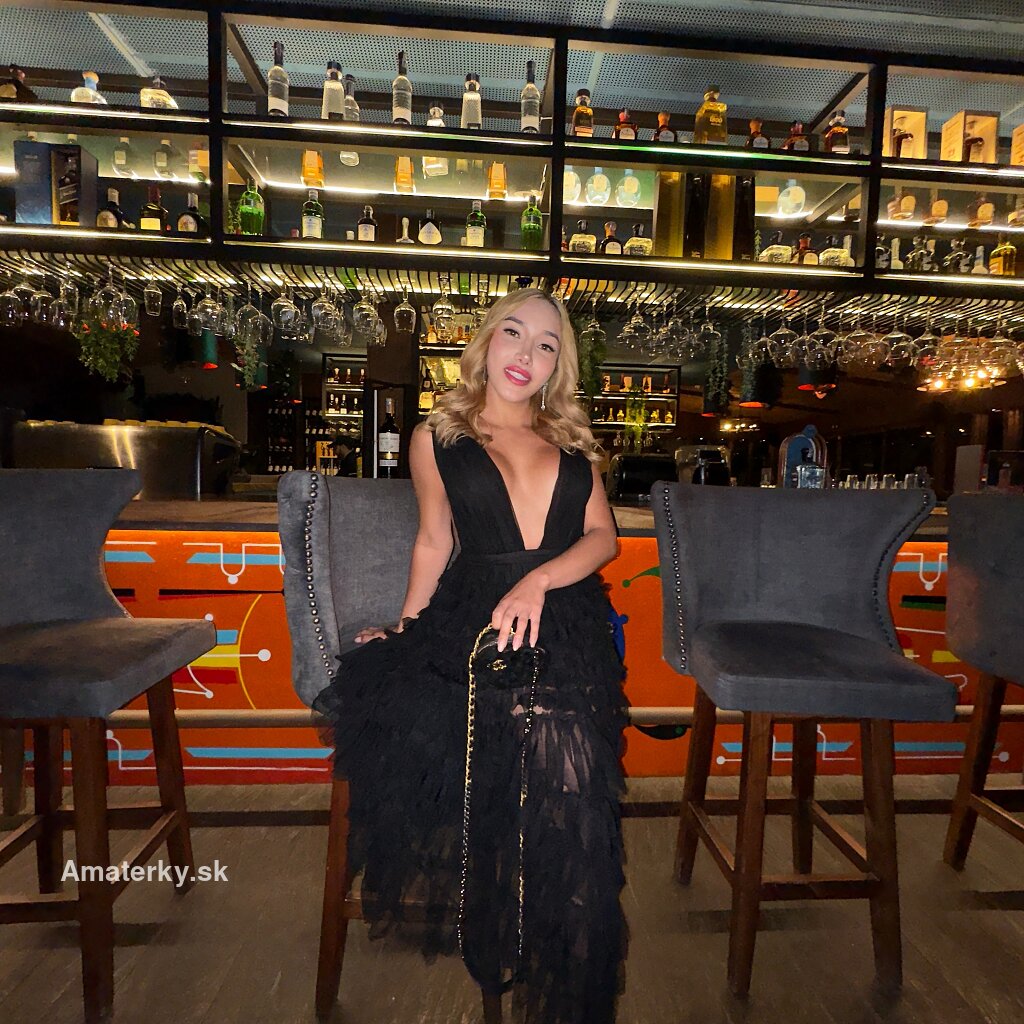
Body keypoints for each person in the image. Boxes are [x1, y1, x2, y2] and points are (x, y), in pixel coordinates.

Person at [312, 288, 628, 1024]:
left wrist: (539, 581)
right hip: (471, 617)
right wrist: (406, 627)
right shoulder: (437, 437)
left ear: (557, 365)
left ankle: (557, 938)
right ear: (485, 342)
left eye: (546, 344)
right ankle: (504, 909)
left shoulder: (573, 440)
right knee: (482, 727)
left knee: (563, 758)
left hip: (565, 614)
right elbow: (434, 541)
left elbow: (603, 539)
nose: (526, 354)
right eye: (513, 334)